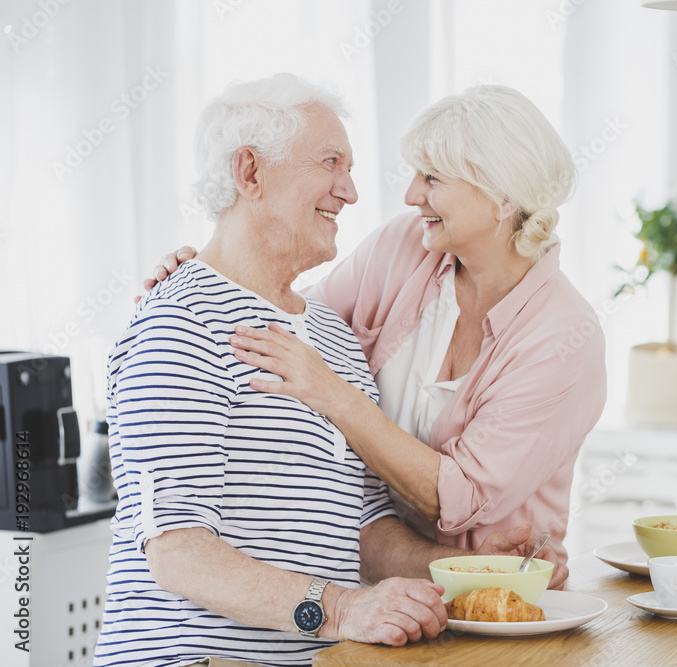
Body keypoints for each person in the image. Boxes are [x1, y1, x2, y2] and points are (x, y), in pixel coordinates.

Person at [95, 74, 557, 667]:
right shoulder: (178, 325)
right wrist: (341, 611)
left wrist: (468, 569)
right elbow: (177, 552)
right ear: (250, 173)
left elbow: (364, 530)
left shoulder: (332, 338)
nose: (352, 191)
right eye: (330, 162)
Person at [149, 84, 607, 567]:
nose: (411, 196)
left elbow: (460, 497)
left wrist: (334, 394)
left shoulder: (564, 338)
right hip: (377, 586)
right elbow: (289, 324)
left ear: (501, 195)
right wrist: (206, 276)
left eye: (431, 178)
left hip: (498, 598)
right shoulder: (407, 246)